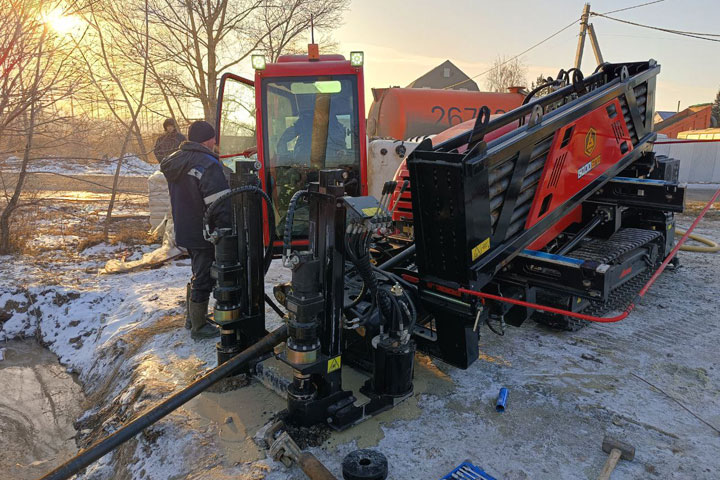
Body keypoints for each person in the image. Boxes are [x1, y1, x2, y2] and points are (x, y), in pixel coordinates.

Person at [160, 120, 231, 340]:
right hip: (204, 230)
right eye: (213, 139)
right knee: (204, 276)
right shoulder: (208, 164)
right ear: (208, 140)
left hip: (185, 227)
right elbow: (218, 203)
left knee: (198, 270)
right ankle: (199, 327)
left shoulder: (177, 160)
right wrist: (226, 229)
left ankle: (193, 318)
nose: (215, 142)